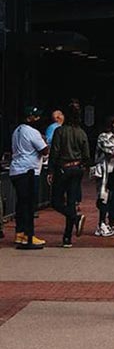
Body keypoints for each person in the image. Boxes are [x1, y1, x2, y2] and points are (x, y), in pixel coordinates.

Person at [49, 101, 90, 247]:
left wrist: (51, 170)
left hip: (63, 168)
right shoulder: (81, 132)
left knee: (56, 201)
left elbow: (54, 151)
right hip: (77, 168)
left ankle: (75, 218)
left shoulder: (59, 131)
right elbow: (86, 154)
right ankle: (67, 237)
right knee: (72, 201)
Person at [10, 106, 48, 249]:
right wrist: (45, 142)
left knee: (21, 203)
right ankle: (28, 235)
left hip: (16, 170)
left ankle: (19, 233)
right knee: (29, 204)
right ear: (29, 118)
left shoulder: (17, 130)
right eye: (36, 116)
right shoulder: (32, 132)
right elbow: (44, 150)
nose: (38, 119)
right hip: (29, 171)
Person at [93, 116, 114, 237]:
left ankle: (112, 223)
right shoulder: (103, 137)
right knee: (103, 198)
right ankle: (101, 223)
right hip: (105, 171)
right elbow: (111, 151)